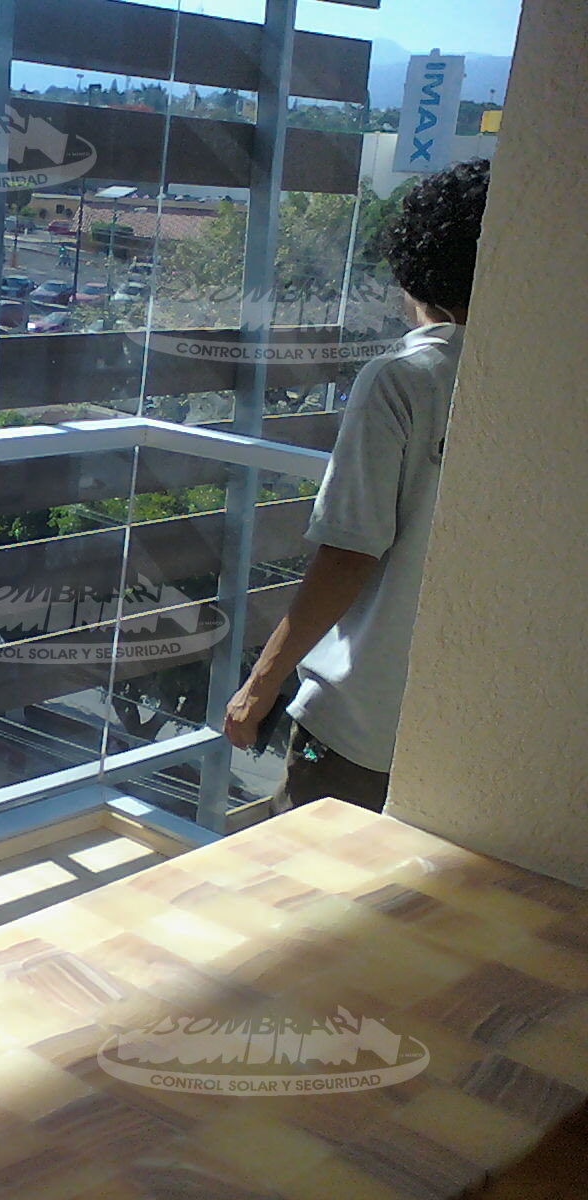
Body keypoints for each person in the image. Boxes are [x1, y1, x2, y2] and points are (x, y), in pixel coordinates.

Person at [223, 159, 490, 813]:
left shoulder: (406, 377)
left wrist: (259, 685)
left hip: (361, 724)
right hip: (471, 726)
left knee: (310, 867)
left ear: (412, 270)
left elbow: (349, 552)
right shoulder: (539, 375)